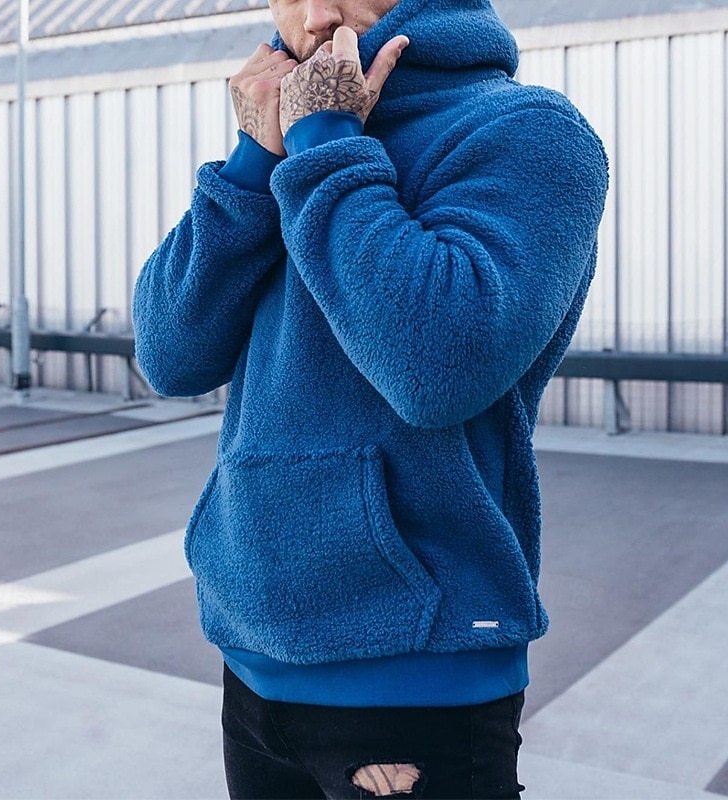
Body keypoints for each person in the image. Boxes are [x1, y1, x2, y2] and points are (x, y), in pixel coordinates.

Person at [132, 0, 608, 796]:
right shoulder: (287, 147)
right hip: (253, 655)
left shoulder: (528, 132)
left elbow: (438, 366)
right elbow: (170, 356)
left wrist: (326, 144)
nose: (316, 15)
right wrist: (252, 162)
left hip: (419, 677)